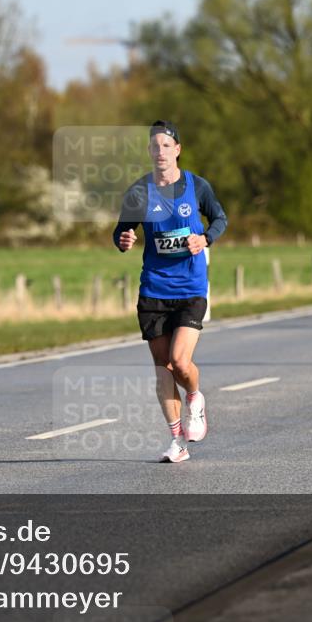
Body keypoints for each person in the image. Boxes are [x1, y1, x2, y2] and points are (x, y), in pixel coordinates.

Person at [113, 120, 228, 463]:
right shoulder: (138, 192)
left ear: (177, 150)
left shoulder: (196, 186)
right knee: (162, 367)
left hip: (191, 287)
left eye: (166, 145)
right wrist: (123, 239)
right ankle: (177, 441)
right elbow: (121, 231)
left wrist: (205, 238)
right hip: (154, 290)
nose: (160, 151)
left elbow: (220, 219)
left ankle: (195, 396)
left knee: (179, 361)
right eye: (154, 146)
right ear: (149, 152)